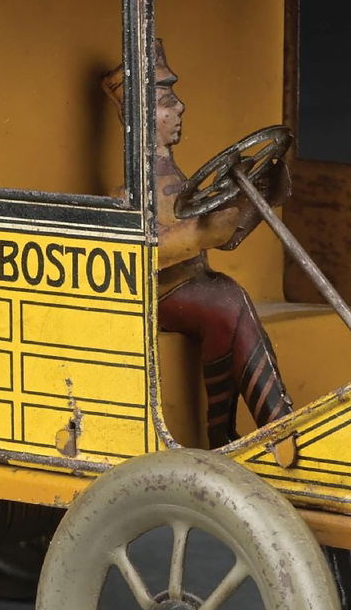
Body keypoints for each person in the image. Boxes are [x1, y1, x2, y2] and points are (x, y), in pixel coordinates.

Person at [103, 42, 295, 451]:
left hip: (195, 285)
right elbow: (141, 253)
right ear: (141, 117)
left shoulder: (177, 176)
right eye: (167, 102)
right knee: (225, 300)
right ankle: (276, 430)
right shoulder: (131, 188)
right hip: (161, 295)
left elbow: (225, 236)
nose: (181, 108)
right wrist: (205, 232)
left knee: (224, 299)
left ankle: (244, 432)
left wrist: (253, 200)